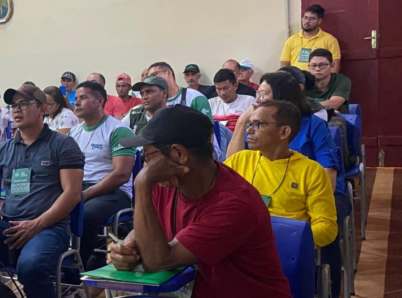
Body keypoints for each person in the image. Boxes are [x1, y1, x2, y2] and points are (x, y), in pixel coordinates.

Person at [110, 106, 292, 298]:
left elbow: (159, 260)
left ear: (178, 154)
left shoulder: (235, 204)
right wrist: (128, 246)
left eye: (147, 156)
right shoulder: (164, 182)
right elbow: (146, 227)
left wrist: (141, 183)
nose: (146, 166)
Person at [0, 85, 85, 298]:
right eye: (13, 106)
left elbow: (73, 193)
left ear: (42, 109)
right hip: (9, 227)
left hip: (49, 228)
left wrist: (36, 224)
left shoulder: (63, 145)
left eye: (23, 104)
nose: (16, 110)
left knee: (30, 267)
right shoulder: (4, 148)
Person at [230, 72, 350, 297]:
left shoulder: (311, 155)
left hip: (296, 231)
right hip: (248, 246)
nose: (250, 130)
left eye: (264, 94)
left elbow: (327, 180)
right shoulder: (242, 160)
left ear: (284, 131)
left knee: (326, 238)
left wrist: (292, 242)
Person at [225, 100, 337, 248]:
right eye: (249, 124)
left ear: (284, 132)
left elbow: (326, 226)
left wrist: (288, 239)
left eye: (257, 124)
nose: (249, 130)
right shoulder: (239, 160)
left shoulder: (311, 171)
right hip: (238, 245)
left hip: (284, 249)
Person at [68, 81, 136, 281]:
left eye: (83, 98)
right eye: (76, 99)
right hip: (80, 187)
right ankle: (53, 262)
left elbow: (121, 175)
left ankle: (76, 272)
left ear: (99, 101)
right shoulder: (74, 133)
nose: (77, 103)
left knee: (86, 214)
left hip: (114, 192)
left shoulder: (119, 130)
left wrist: (85, 194)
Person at [281, 4, 341, 73]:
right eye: (305, 18)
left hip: (319, 80)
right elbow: (284, 64)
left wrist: (329, 82)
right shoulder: (291, 40)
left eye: (311, 18)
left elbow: (335, 65)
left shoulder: (330, 40)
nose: (307, 21)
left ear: (319, 21)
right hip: (296, 80)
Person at [146, 62, 213, 119]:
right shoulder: (151, 103)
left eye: (154, 75)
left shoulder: (196, 98)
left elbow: (208, 132)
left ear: (169, 73)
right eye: (149, 77)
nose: (151, 80)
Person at [305, 49, 352, 115]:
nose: (317, 69)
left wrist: (306, 107)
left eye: (322, 65)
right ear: (308, 67)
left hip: (335, 120)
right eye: (314, 65)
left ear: (332, 65)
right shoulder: (303, 80)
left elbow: (334, 103)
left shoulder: (342, 80)